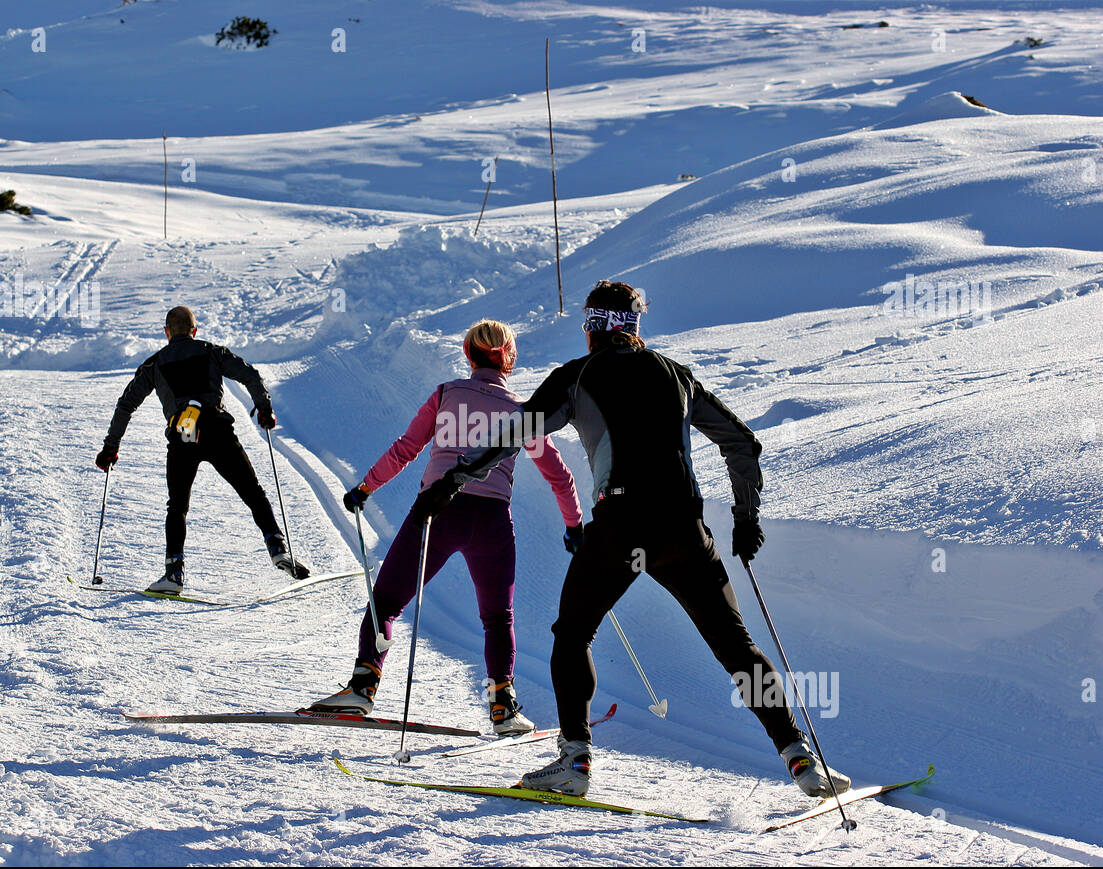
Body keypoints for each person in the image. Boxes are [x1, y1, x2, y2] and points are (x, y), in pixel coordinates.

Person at [415, 281, 850, 797]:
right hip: (684, 529)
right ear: (634, 327)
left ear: (593, 327)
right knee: (735, 644)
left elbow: (515, 433)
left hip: (619, 527)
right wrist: (746, 517)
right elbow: (743, 444)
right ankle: (801, 760)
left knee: (573, 635)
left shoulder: (576, 377)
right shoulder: (677, 375)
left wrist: (453, 479)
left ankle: (574, 763)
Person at [308, 320, 584, 734]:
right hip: (492, 520)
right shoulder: (521, 412)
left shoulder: (446, 394)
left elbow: (406, 449)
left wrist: (365, 487)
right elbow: (560, 476)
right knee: (497, 617)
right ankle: (503, 707)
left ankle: (363, 687)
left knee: (386, 602)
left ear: (468, 354)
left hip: (436, 513)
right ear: (509, 357)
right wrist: (574, 527)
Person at [95, 305, 310, 593]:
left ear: (167, 332)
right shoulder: (212, 351)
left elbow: (126, 405)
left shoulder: (154, 363)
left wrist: (110, 448)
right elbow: (250, 375)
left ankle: (174, 572)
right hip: (218, 430)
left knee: (178, 506)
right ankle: (278, 546)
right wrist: (264, 408)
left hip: (183, 435)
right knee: (252, 491)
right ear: (194, 331)